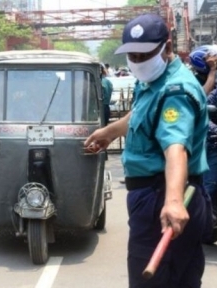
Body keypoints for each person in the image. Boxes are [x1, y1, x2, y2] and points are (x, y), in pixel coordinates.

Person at [84, 14, 213, 287]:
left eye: (145, 55)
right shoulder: (155, 82)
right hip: (158, 196)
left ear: (167, 48)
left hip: (164, 198)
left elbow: (176, 147)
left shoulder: (175, 91)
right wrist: (109, 132)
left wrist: (173, 201)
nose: (138, 63)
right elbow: (140, 114)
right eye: (132, 56)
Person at [189, 45, 217, 243]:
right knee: (209, 186)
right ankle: (209, 221)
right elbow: (203, 102)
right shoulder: (193, 82)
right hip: (210, 140)